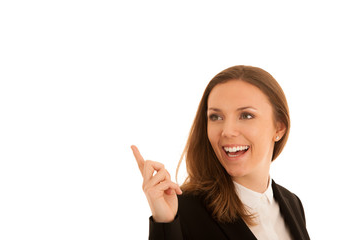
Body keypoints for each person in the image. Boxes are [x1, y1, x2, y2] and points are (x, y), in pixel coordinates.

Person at [131, 65, 310, 240]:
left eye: (246, 115)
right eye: (216, 117)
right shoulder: (182, 209)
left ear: (279, 128)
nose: (227, 131)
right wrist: (165, 224)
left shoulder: (291, 203)